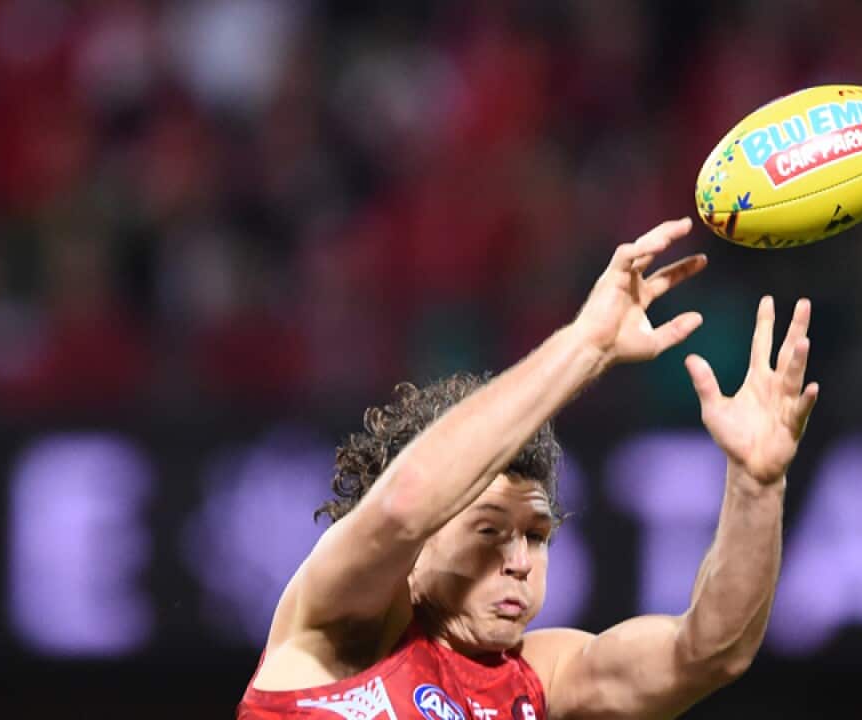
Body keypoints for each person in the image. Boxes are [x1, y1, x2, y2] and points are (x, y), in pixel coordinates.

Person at [237, 217, 819, 720]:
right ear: (416, 550)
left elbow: (708, 653)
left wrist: (757, 483)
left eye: (536, 536)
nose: (520, 562)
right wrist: (588, 345)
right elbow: (405, 503)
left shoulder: (539, 677)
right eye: (489, 529)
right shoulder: (334, 623)